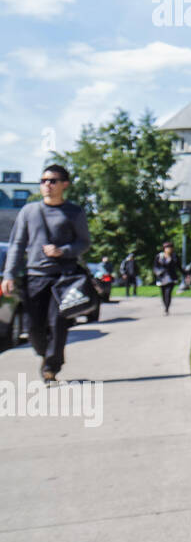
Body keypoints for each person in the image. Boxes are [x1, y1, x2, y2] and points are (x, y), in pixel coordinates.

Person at [1, 164, 91, 383]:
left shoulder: (74, 212)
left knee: (58, 324)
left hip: (63, 278)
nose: (47, 185)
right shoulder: (29, 212)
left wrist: (64, 251)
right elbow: (17, 245)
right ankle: (44, 354)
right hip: (35, 277)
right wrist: (9, 275)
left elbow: (84, 242)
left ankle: (51, 367)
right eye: (43, 181)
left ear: (64, 185)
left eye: (52, 181)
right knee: (33, 327)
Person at [153, 242, 181, 315]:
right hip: (161, 277)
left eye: (170, 248)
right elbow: (155, 266)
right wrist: (157, 272)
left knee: (168, 293)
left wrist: (186, 273)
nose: (169, 249)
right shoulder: (159, 256)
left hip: (171, 278)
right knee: (163, 293)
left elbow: (179, 267)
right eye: (167, 248)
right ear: (164, 249)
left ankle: (166, 308)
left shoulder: (174, 257)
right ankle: (165, 306)